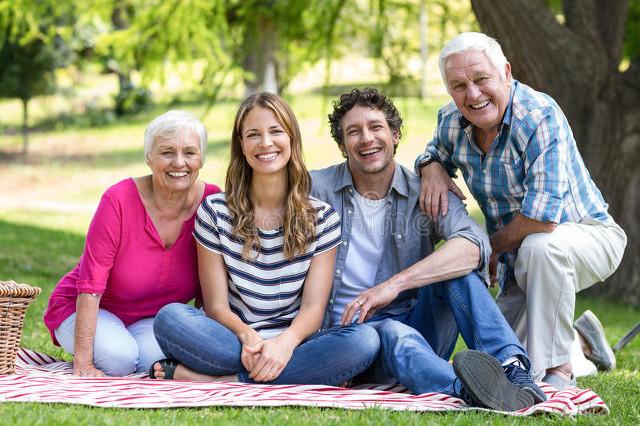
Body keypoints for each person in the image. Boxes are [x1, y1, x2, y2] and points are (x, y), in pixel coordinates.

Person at [310, 87, 545, 411]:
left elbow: (474, 246)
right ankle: (468, 389)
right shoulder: (314, 189)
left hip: (417, 330)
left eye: (376, 127)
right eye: (354, 132)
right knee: (390, 331)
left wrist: (392, 286)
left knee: (455, 273)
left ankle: (512, 371)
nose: (367, 139)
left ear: (395, 135)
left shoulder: (426, 191)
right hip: (344, 341)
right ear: (341, 145)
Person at [415, 32, 627, 388]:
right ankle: (583, 341)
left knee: (542, 248)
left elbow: (543, 219)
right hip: (520, 258)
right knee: (509, 358)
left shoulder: (539, 116)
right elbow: (433, 152)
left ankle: (560, 371)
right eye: (459, 85)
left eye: (481, 79)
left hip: (589, 236)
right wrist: (431, 167)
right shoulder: (450, 121)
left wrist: (491, 248)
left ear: (507, 72)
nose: (473, 94)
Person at [149, 92, 379, 386]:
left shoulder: (323, 218)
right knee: (171, 319)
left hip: (295, 343)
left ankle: (225, 380)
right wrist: (249, 338)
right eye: (253, 135)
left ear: (292, 139)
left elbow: (312, 310)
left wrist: (283, 345)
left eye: (275, 131)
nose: (265, 143)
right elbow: (216, 305)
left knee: (365, 340)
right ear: (242, 146)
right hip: (232, 340)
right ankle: (285, 374)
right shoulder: (215, 211)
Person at [43, 110, 221, 377]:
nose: (179, 162)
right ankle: (106, 348)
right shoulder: (119, 200)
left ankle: (123, 346)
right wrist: (84, 363)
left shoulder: (212, 202)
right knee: (120, 360)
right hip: (87, 308)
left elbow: (213, 283)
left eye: (190, 152)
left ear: (202, 158)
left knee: (154, 358)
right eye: (167, 152)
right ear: (149, 158)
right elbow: (90, 286)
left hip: (153, 320)